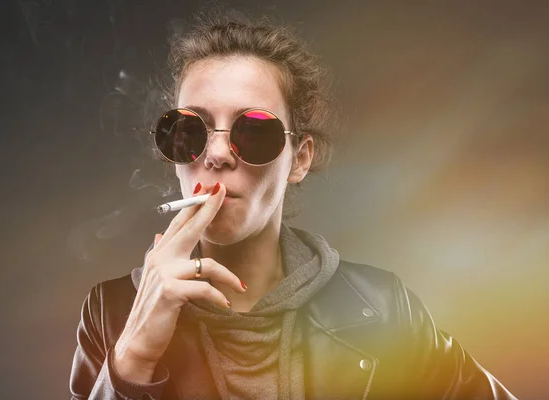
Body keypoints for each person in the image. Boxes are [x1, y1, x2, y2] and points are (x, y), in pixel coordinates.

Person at [69, 10, 518, 400]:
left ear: (299, 159)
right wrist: (130, 362)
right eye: (191, 130)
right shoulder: (111, 310)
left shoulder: (380, 308)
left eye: (254, 131)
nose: (218, 154)